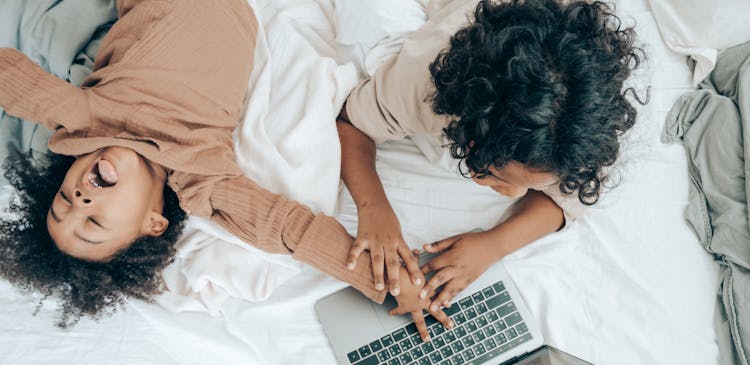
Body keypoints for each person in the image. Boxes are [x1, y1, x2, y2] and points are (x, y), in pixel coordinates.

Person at [0, 0, 448, 329]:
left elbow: (15, 82)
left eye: (63, 202)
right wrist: (387, 284)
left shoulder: (84, 118)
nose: (79, 199)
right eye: (93, 221)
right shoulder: (201, 179)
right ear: (152, 223)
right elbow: (289, 230)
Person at [338, 0, 643, 333]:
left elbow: (569, 200)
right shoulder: (423, 82)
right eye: (497, 177)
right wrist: (375, 209)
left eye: (534, 185)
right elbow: (352, 123)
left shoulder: (583, 128)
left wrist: (495, 244)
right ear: (468, 135)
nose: (514, 194)